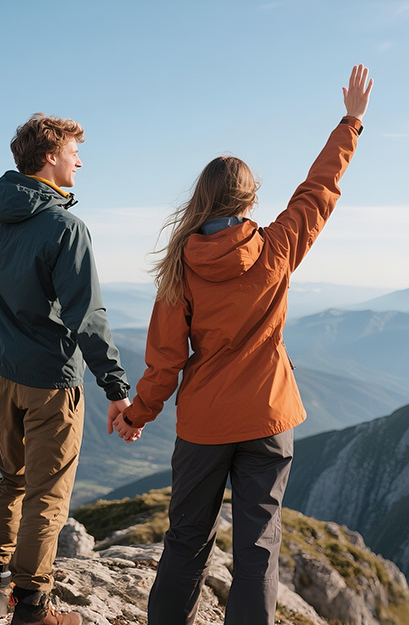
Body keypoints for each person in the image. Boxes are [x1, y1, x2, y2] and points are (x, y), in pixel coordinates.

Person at [110, 64, 372, 625]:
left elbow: (165, 360)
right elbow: (318, 190)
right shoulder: (276, 247)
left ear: (201, 201)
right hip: (269, 418)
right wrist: (350, 122)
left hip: (204, 425)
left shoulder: (181, 267)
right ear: (251, 201)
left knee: (185, 544)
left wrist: (138, 413)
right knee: (257, 552)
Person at [0, 79, 132, 625]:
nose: (80, 164)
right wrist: (117, 388)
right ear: (49, 157)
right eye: (74, 153)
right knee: (46, 496)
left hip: (2, 373)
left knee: (9, 481)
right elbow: (88, 318)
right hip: (51, 381)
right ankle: (33, 605)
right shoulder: (66, 228)